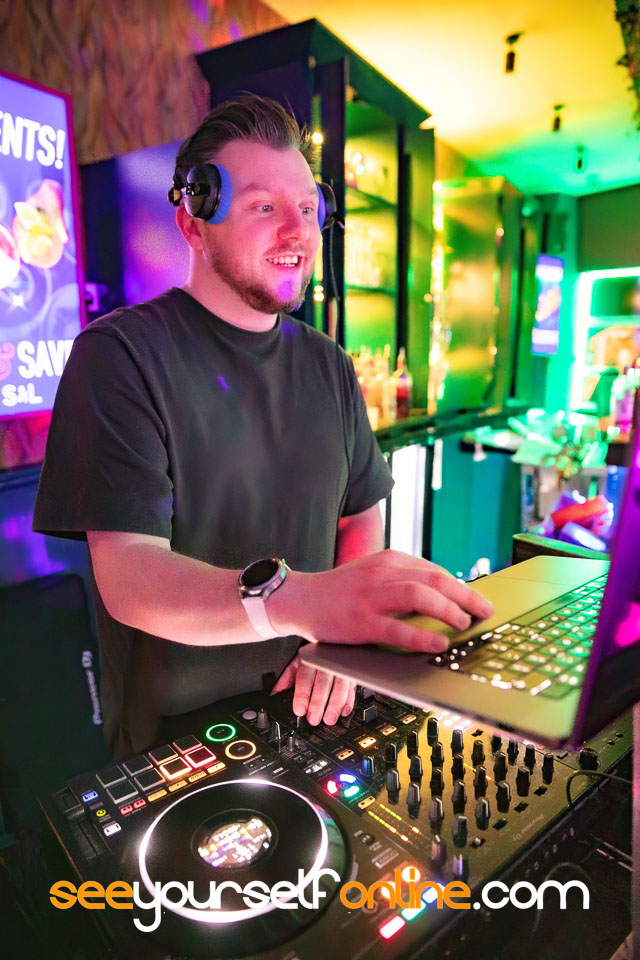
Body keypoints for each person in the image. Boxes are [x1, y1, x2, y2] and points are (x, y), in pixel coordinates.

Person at [33, 95, 492, 759]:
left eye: (307, 209)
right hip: (178, 739)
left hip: (320, 700)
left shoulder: (330, 363)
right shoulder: (119, 355)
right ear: (193, 221)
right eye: (264, 207)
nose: (298, 233)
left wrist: (335, 644)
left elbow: (359, 516)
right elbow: (129, 575)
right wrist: (295, 601)